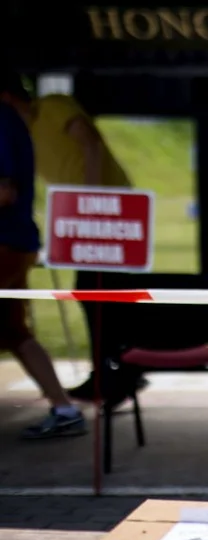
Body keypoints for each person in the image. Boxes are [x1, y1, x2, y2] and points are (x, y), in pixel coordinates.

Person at [0, 70, 145, 408]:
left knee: (103, 294)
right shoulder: (23, 133)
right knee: (93, 294)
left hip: (107, 209)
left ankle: (118, 371)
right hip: (84, 215)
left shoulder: (51, 107)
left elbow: (89, 142)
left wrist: (90, 200)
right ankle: (110, 372)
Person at [0, 94, 87, 439]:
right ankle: (64, 407)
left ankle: (64, 407)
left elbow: (4, 191)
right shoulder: (10, 120)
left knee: (13, 330)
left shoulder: (2, 120)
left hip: (5, 240)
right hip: (14, 240)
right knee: (13, 330)